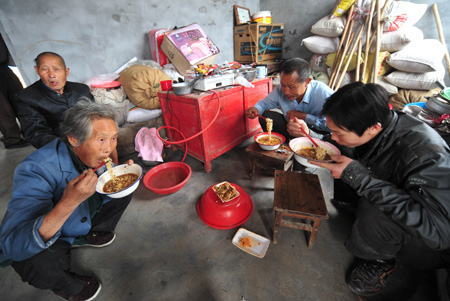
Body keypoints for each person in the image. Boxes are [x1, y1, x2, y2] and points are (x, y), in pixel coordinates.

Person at [287, 82, 450, 297]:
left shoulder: (425, 155)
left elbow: (439, 232)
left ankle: (380, 259)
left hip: (427, 245)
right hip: (398, 198)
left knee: (369, 200)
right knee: (344, 155)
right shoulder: (382, 124)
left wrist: (359, 178)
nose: (333, 136)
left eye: (339, 132)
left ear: (373, 127)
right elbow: (339, 144)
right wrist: (311, 136)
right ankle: (360, 207)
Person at [0, 101, 135, 301]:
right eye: (101, 139)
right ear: (73, 139)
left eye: (113, 138)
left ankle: (89, 233)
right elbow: (13, 244)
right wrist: (70, 201)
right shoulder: (35, 169)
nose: (108, 149)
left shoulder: (96, 157)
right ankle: (68, 286)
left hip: (78, 219)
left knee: (124, 189)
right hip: (53, 232)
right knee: (35, 261)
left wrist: (121, 174)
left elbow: (110, 175)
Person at [245, 58, 334, 139]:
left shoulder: (324, 94)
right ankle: (287, 144)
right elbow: (264, 104)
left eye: (291, 87)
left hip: (315, 134)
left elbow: (335, 126)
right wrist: (256, 109)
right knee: (266, 116)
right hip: (291, 130)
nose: (286, 91)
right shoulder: (280, 90)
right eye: (283, 85)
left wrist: (304, 117)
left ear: (307, 82)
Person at [0, 33, 29, 149]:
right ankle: (12, 139)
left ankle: (29, 131)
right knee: (3, 110)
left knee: (20, 99)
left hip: (4, 67)